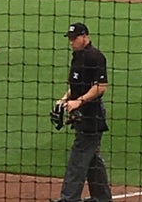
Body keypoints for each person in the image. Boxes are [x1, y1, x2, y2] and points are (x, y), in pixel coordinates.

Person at [50, 22, 113, 202]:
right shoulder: (77, 56)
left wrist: (79, 101)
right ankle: (102, 197)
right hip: (81, 115)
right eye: (69, 38)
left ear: (85, 36)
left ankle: (68, 199)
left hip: (92, 116)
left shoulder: (95, 57)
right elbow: (75, 87)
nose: (71, 42)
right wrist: (64, 99)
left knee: (78, 158)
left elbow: (100, 87)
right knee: (92, 158)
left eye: (74, 38)